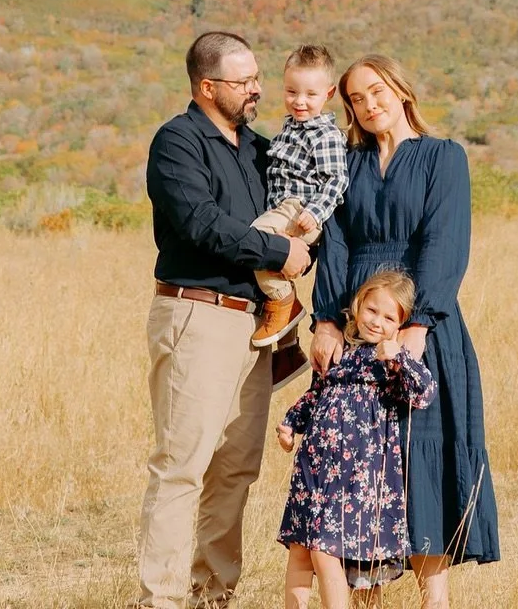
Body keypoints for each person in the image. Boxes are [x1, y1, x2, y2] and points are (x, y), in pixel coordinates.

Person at [311, 55, 500, 607]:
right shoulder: (348, 163)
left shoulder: (444, 157)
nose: (369, 106)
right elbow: (337, 244)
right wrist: (327, 322)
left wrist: (416, 327)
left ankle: (433, 598)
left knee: (420, 454)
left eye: (377, 92)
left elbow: (444, 243)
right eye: (356, 99)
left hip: (424, 326)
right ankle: (365, 597)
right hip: (356, 324)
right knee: (359, 463)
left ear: (400, 89)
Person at [138, 31, 313, 609]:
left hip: (257, 327)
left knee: (236, 469)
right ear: (207, 86)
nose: (258, 89)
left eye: (257, 78)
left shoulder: (258, 150)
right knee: (181, 466)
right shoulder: (177, 143)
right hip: (197, 313)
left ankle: (213, 593)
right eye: (244, 82)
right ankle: (161, 599)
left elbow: (297, 205)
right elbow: (200, 223)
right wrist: (276, 254)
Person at [276, 268, 436, 609]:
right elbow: (314, 395)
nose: (377, 321)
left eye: (389, 317)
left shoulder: (388, 362)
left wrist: (400, 357)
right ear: (358, 306)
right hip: (315, 467)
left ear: (400, 324)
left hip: (356, 476)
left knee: (325, 550)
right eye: (372, 310)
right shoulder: (338, 351)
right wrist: (291, 423)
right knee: (300, 549)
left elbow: (424, 392)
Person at [250, 42, 348, 348]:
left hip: (302, 210)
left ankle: (284, 302)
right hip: (284, 208)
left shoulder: (325, 135)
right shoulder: (288, 130)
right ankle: (286, 343)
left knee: (255, 240)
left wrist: (315, 212)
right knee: (264, 255)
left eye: (310, 94)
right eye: (292, 92)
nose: (299, 101)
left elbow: (336, 179)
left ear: (328, 94)